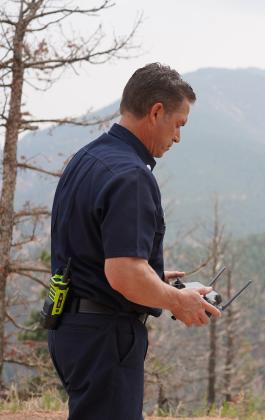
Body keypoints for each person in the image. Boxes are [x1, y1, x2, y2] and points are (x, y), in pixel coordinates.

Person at [48, 63, 220, 420]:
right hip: (105, 336)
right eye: (178, 124)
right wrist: (177, 300)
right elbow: (124, 275)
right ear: (156, 111)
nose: (177, 137)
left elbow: (93, 250)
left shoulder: (87, 158)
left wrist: (154, 277)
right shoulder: (132, 176)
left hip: (70, 328)